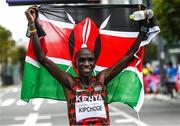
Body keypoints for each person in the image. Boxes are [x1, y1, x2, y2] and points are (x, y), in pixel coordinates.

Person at [25, 6, 151, 126]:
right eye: (82, 60)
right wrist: (32, 25)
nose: (86, 64)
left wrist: (143, 29)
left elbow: (128, 56)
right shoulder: (70, 83)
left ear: (94, 63)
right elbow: (42, 58)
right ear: (75, 64)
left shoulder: (102, 79)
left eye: (90, 60)